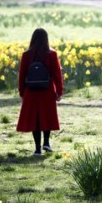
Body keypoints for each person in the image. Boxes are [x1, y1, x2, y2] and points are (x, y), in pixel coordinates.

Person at [16, 28, 64, 156]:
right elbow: (57, 75)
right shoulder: (51, 54)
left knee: (35, 119)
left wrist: (22, 92)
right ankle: (46, 143)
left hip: (31, 92)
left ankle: (37, 149)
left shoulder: (27, 55)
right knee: (46, 116)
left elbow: (22, 75)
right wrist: (59, 91)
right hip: (47, 90)